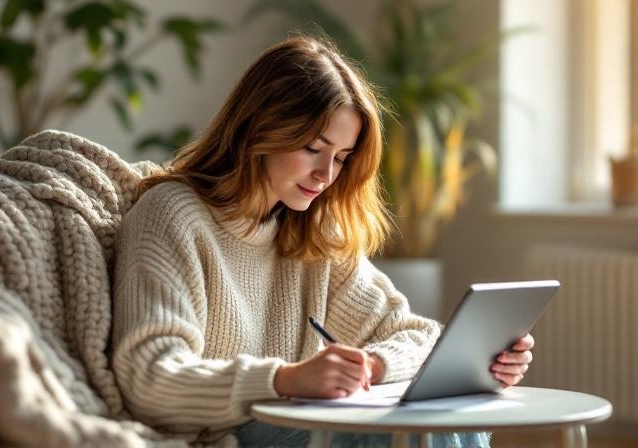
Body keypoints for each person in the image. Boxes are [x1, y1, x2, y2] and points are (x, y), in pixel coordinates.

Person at [111, 35, 534, 447]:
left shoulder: (310, 232)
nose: (327, 175)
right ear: (260, 127)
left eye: (341, 158)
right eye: (314, 148)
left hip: (299, 426)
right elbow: (148, 377)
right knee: (416, 432)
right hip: (222, 436)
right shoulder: (172, 214)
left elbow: (417, 335)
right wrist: (286, 379)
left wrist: (373, 364)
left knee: (447, 414)